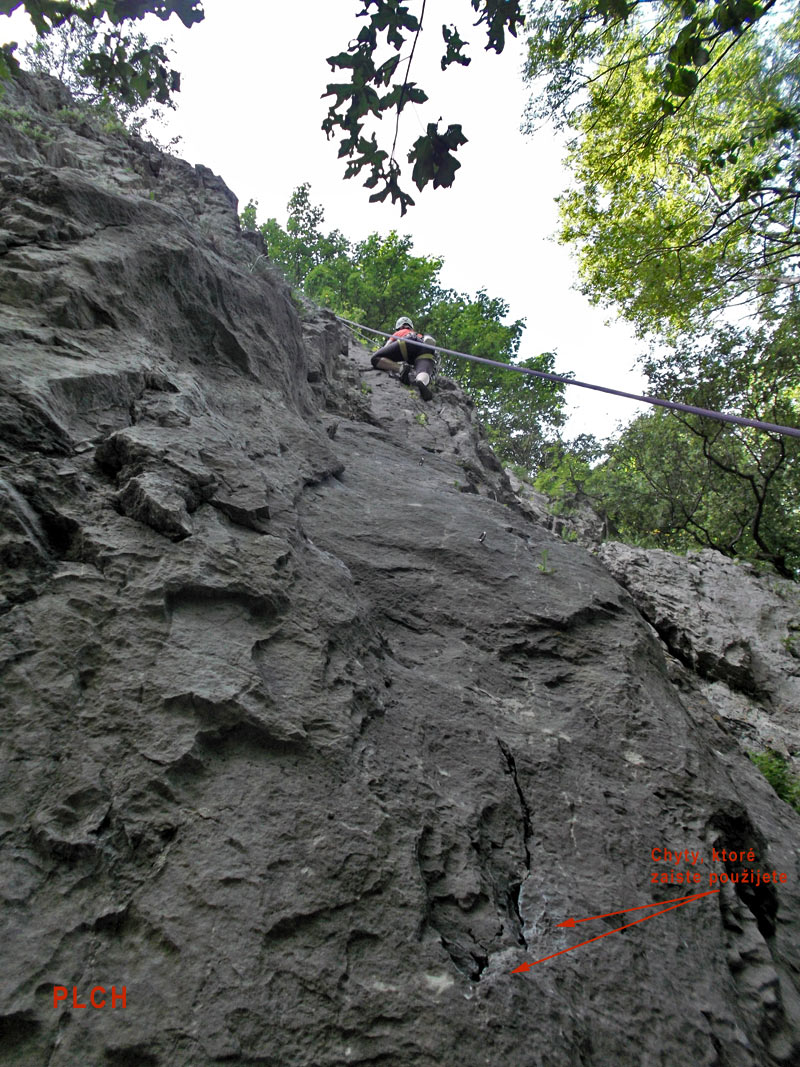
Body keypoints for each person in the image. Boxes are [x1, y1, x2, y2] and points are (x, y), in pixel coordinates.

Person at [370, 316, 437, 402]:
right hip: (424, 346)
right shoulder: (417, 334)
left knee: (375, 358)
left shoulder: (400, 332)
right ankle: (421, 382)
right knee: (423, 370)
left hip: (407, 342)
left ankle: (401, 368)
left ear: (399, 327)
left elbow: (387, 346)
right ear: (411, 326)